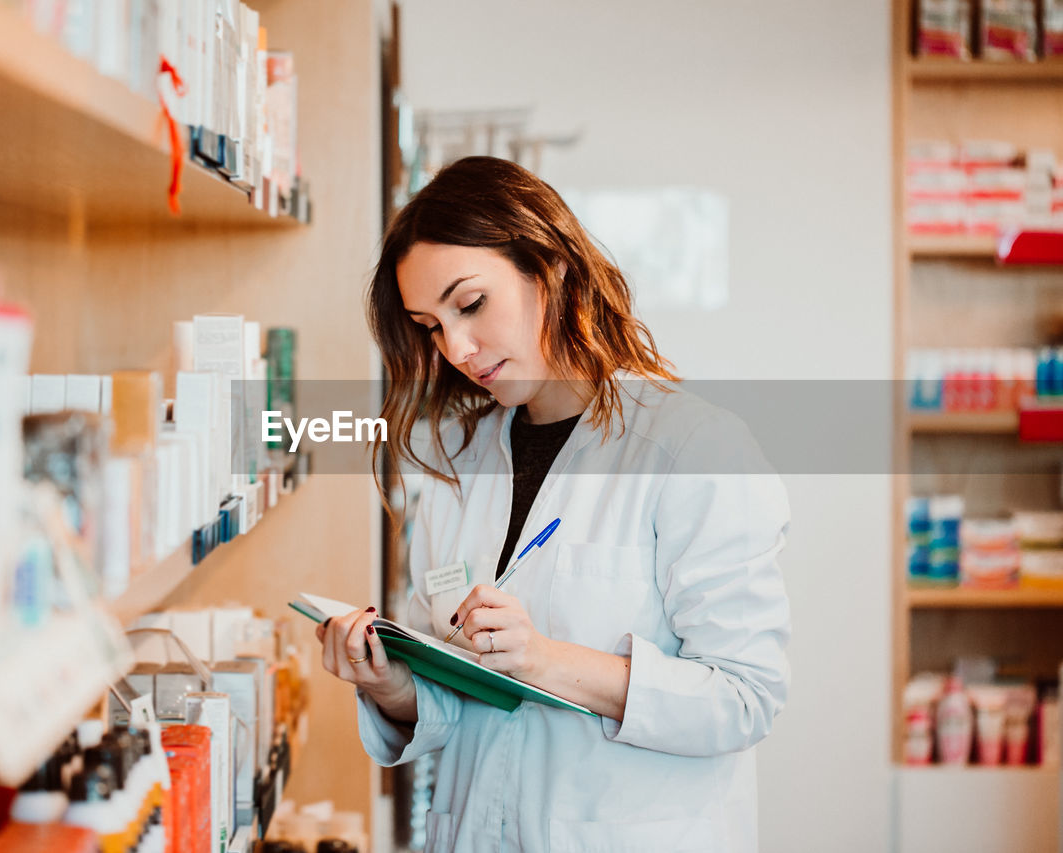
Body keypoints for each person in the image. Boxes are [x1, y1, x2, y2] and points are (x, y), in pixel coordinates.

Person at [315, 156, 791, 852]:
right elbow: (463, 689)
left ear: (551, 266)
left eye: (470, 304)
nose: (457, 347)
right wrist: (391, 683)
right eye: (430, 325)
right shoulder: (459, 458)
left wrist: (540, 657)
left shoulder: (691, 448)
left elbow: (745, 696)